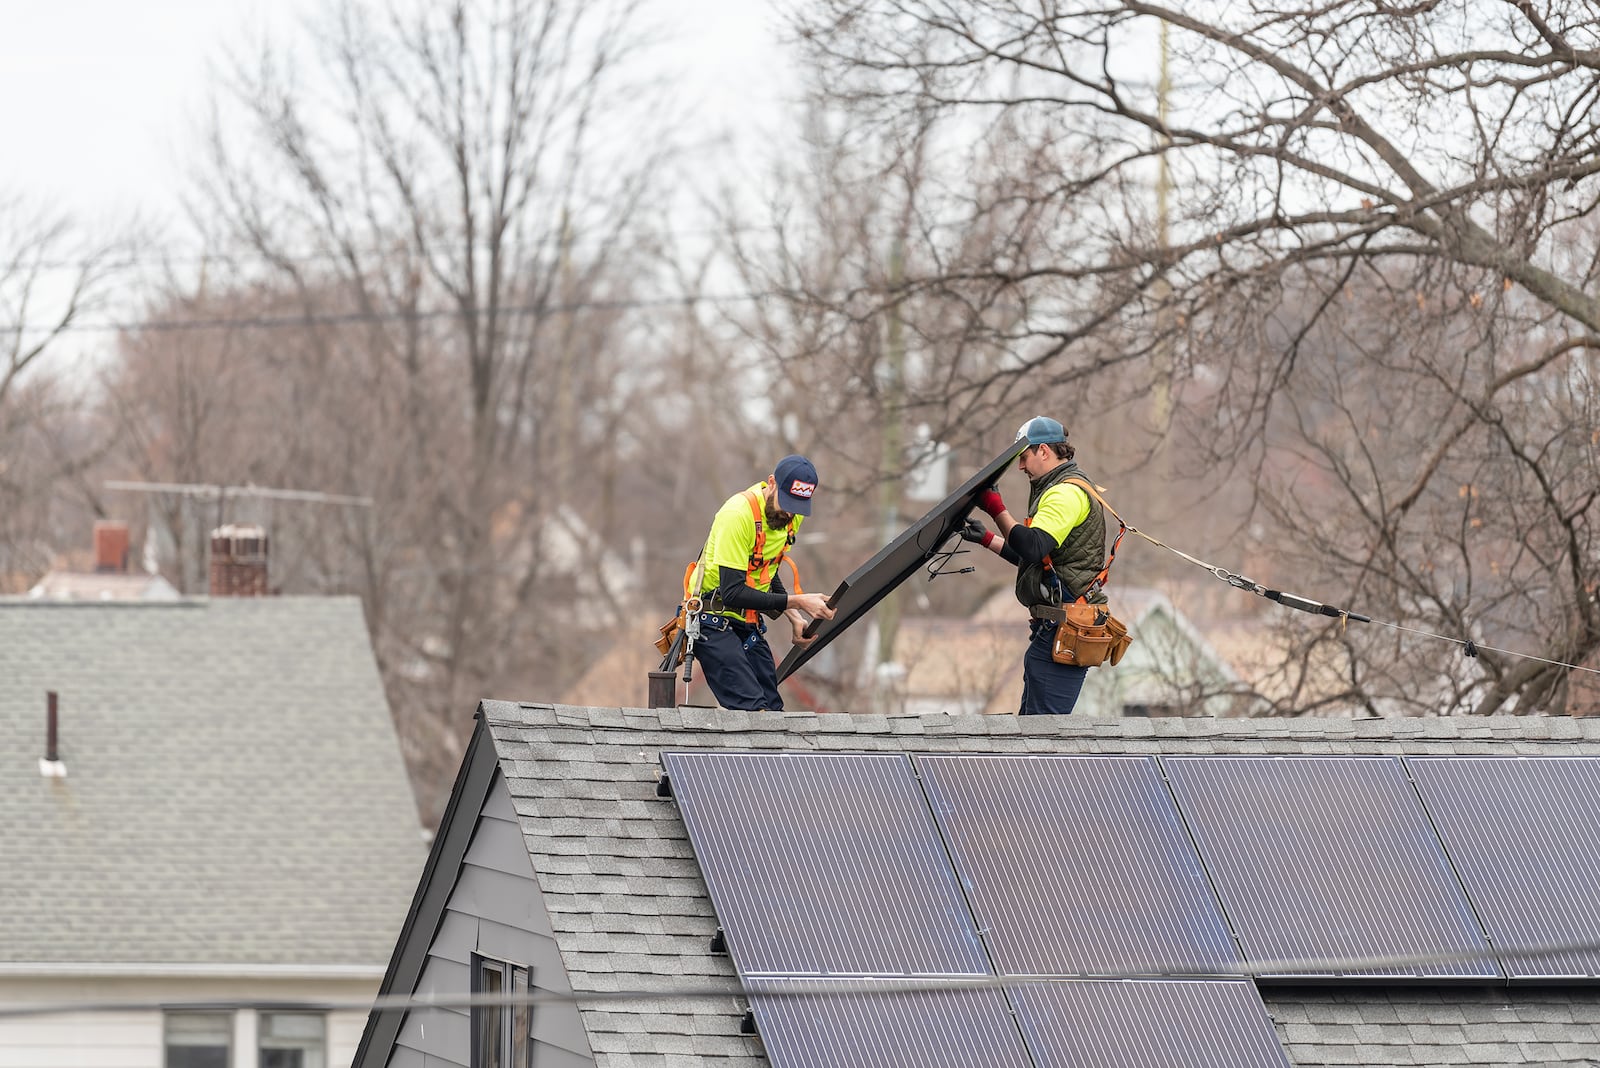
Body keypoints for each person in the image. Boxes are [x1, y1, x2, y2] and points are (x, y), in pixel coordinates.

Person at [962, 417, 1107, 715]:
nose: (1020, 466)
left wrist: (995, 508)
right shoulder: (1058, 489)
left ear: (1043, 451)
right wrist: (988, 538)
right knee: (1032, 733)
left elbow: (1032, 545)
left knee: (1042, 739)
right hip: (1052, 630)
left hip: (1065, 629)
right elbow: (1037, 560)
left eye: (1024, 457)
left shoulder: (1064, 493)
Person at [690, 454, 836, 710]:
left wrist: (794, 617)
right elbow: (733, 591)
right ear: (771, 483)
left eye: (798, 507)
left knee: (771, 708)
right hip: (710, 619)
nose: (790, 513)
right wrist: (799, 601)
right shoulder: (738, 515)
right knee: (753, 709)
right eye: (787, 502)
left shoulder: (792, 517)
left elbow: (767, 568)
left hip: (747, 620)